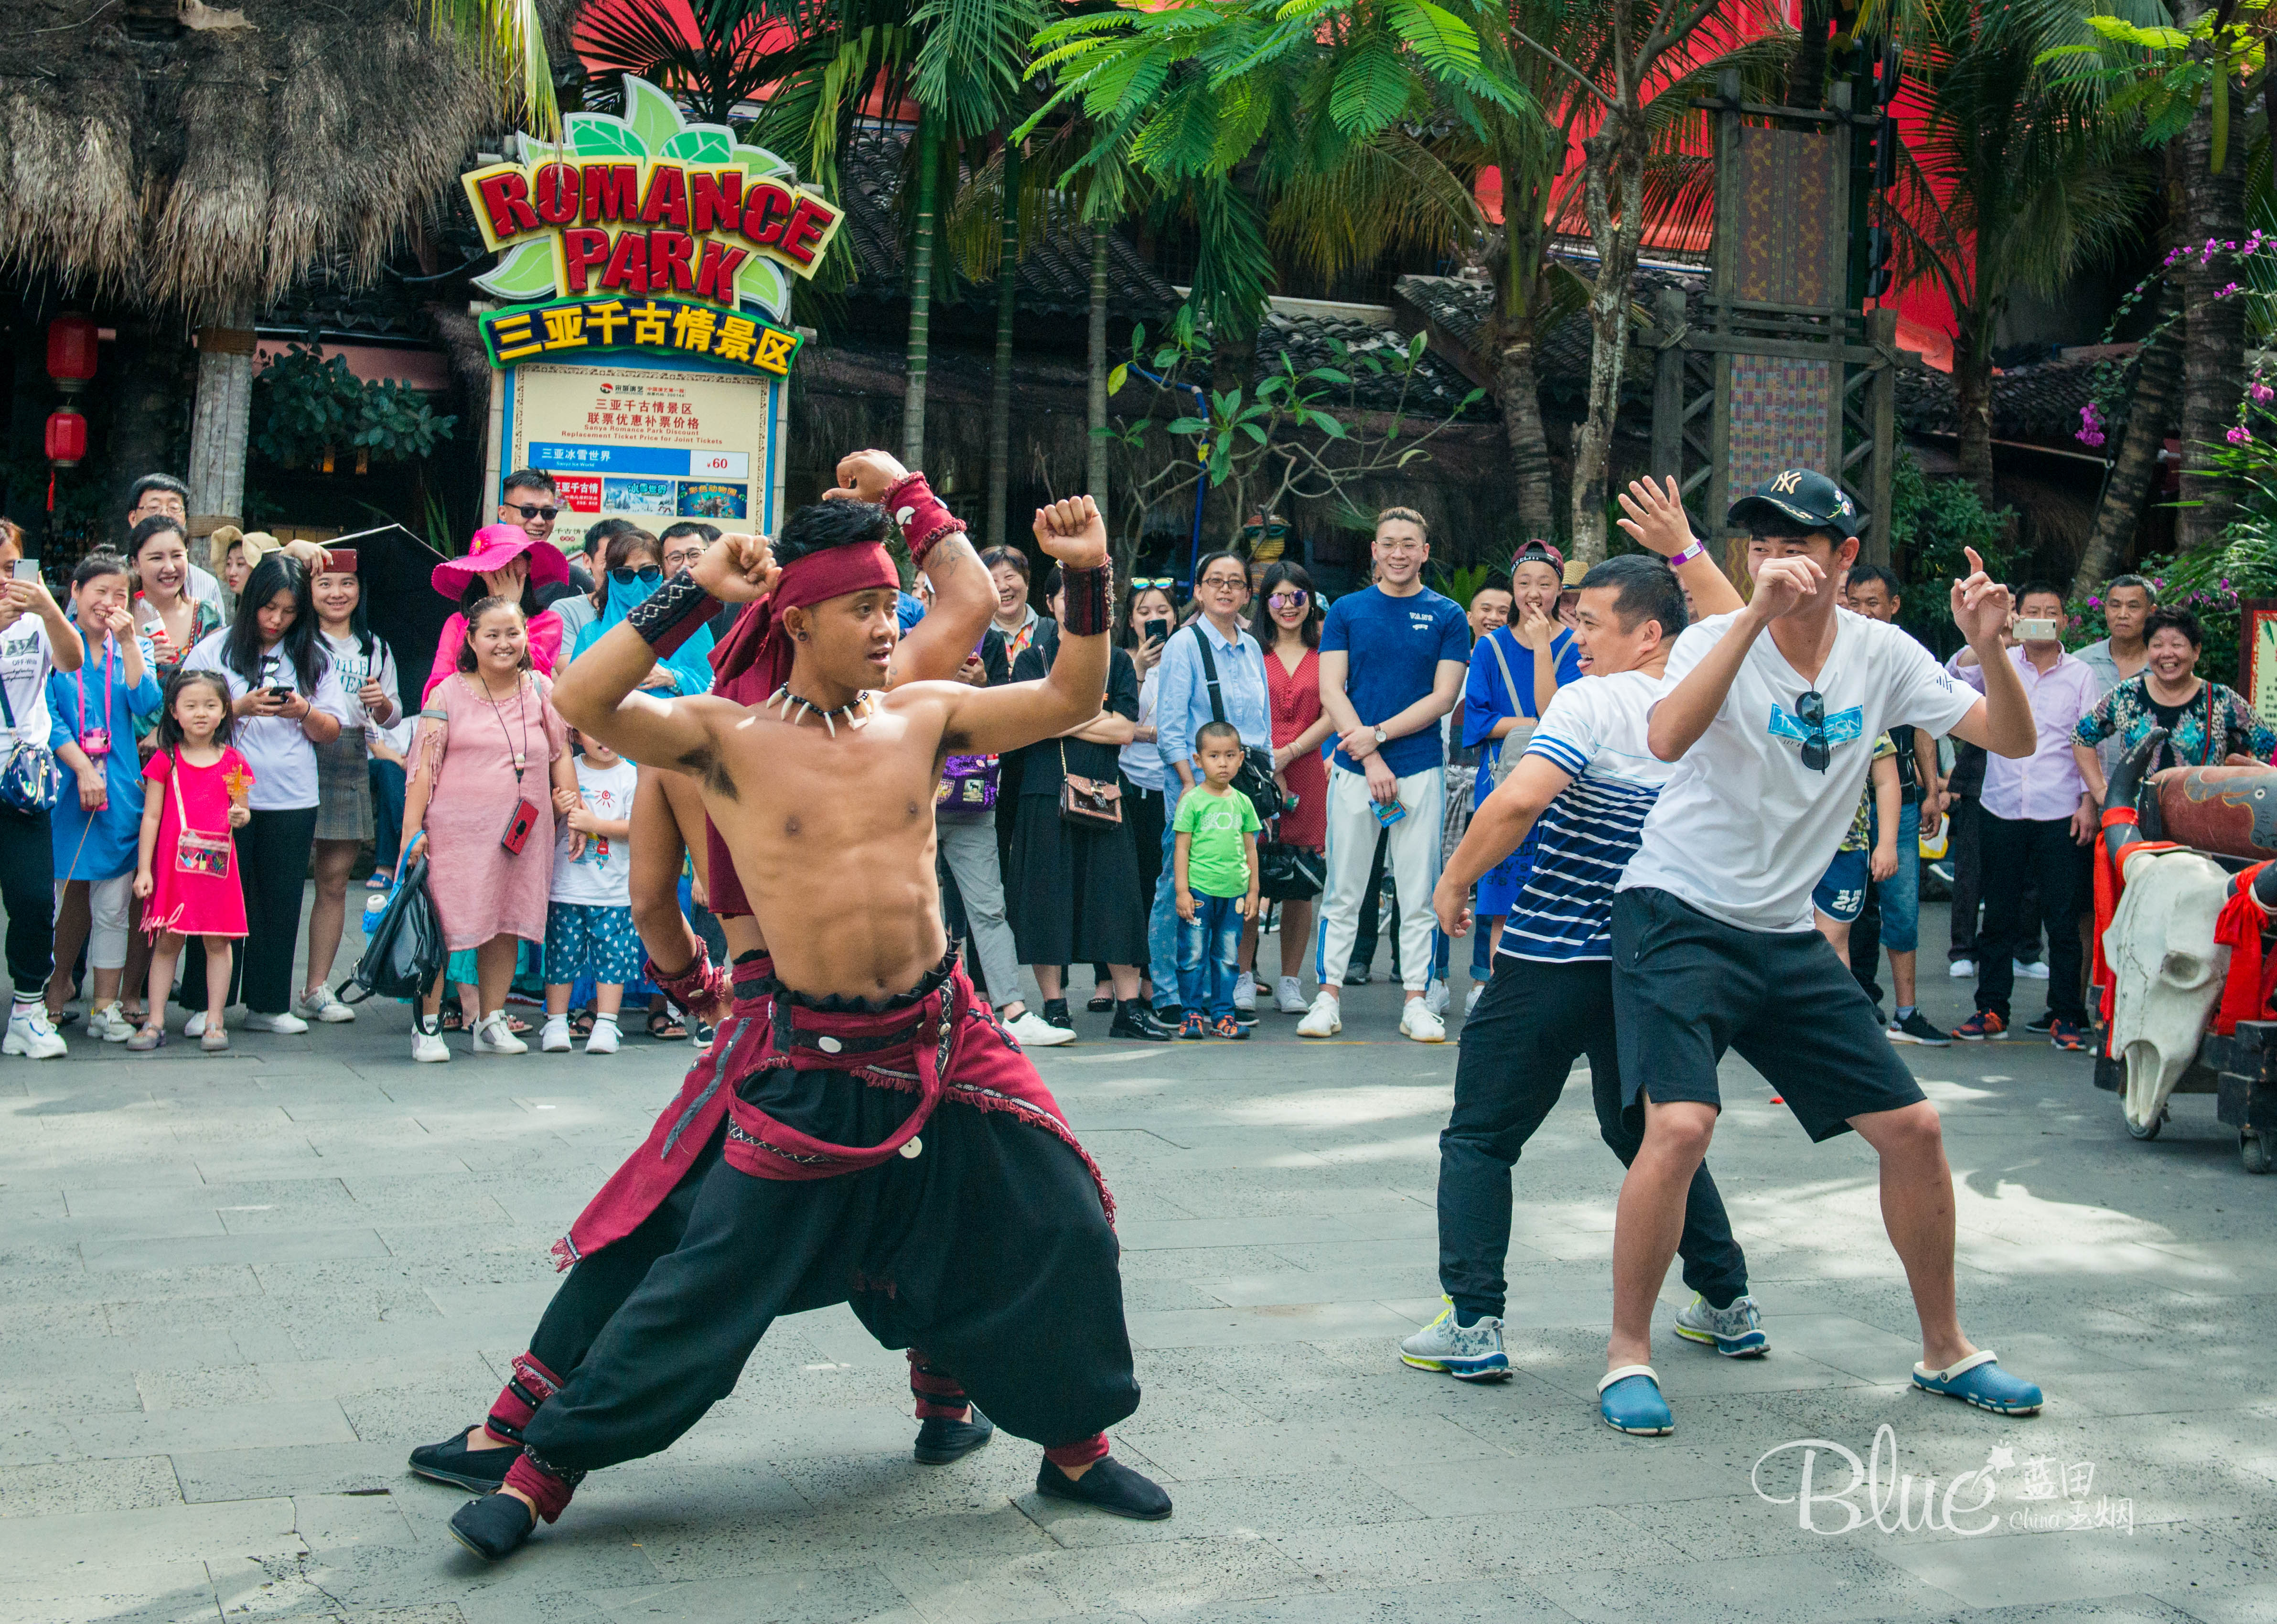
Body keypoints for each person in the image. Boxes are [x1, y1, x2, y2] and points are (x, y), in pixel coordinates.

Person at [433, 492, 1169, 1562]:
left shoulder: (922, 715)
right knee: (703, 1279)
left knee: (1063, 1224)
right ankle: (544, 1470)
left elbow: (1070, 690)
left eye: (892, 604)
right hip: (808, 1058)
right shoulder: (721, 739)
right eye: (866, 608)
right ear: (798, 622)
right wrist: (696, 588)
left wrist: (1089, 571)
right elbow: (588, 700)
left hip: (949, 1034)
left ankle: (1075, 1448)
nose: (888, 626)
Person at [1595, 468, 2045, 1438]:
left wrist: (1986, 649)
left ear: (1845, 558)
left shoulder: (1881, 653)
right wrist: (1750, 619)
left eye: (1796, 541)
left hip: (1785, 933)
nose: (1773, 558)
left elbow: (2010, 736)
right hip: (1676, 911)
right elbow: (1666, 738)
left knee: (1915, 1129)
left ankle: (1946, 1348)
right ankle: (1626, 1353)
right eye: (1758, 541)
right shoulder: (1716, 636)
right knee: (1678, 1127)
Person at [1410, 497, 1760, 1382]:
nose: (1577, 636)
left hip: (1549, 956)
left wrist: (1453, 879)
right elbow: (1730, 620)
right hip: (1651, 965)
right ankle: (1728, 1299)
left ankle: (1474, 1321)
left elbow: (1521, 798)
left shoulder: (1593, 700)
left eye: (1591, 620)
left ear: (1648, 634)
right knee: (1654, 1134)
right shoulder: (1713, 699)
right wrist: (1684, 550)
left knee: (1481, 1135)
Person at [1304, 507, 1470, 1043]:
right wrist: (1369, 754)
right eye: (1388, 544)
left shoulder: (1447, 615)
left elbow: (1443, 697)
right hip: (1355, 771)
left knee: (1418, 891)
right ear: (1373, 552)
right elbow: (1332, 690)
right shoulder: (1348, 611)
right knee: (1344, 890)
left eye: (1409, 544)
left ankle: (1417, 1000)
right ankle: (1326, 998)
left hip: (1420, 767)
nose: (1398, 553)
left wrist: (1378, 738)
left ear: (1425, 552)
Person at [399, 598, 579, 1063]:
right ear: (472, 641)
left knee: (505, 922)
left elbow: (560, 754)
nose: (503, 644)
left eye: (512, 634)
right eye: (492, 635)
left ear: (526, 639)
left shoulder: (542, 689)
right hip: (455, 837)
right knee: (442, 929)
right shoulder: (447, 693)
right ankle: (429, 1025)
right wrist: (410, 833)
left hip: (523, 836)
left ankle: (490, 1021)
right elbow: (422, 769)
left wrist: (573, 809)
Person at [183, 553, 348, 1034]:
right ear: (250, 600)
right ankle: (203, 1004)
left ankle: (269, 1004)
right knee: (215, 896)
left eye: (289, 611)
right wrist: (238, 707)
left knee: (279, 901)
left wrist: (301, 712)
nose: (276, 620)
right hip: (221, 794)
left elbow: (331, 729)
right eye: (268, 607)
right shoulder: (214, 650)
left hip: (291, 795)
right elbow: (186, 717)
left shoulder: (315, 657)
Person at [1942, 584, 2103, 1048]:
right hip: (2001, 806)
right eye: (2030, 611)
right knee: (1997, 916)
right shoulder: (2000, 662)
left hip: (2060, 811)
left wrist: (2088, 803)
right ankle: (1990, 1009)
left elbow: (2086, 740)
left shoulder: (2079, 675)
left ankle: (2065, 1014)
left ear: (2064, 621)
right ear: (2016, 617)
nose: (2040, 619)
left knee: (2062, 918)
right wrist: (1991, 637)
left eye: (2049, 612)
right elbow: (1954, 677)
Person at [1007, 571, 1159, 1041]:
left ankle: (1129, 1010)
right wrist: (1093, 716)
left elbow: (1123, 731)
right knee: (1044, 901)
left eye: (1086, 599)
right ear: (1050, 604)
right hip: (1042, 794)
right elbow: (1031, 724)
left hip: (1104, 794)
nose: (1075, 607)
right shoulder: (1031, 661)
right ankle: (1054, 1008)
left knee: (1118, 901)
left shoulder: (1116, 661)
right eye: (1065, 598)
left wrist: (1066, 716)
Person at [1458, 541, 1582, 1019]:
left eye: (1545, 585)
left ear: (1558, 590)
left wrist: (1541, 652)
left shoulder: (1574, 644)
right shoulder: (1488, 647)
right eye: (1524, 583)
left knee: (1556, 892)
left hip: (1557, 788)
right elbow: (1477, 723)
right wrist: (1532, 725)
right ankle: (1504, 1000)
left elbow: (1560, 713)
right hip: (1502, 782)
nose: (1533, 593)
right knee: (1502, 900)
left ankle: (1554, 1002)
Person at [45, 552, 162, 1042]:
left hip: (118, 789)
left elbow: (149, 705)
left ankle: (104, 1007)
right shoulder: (51, 643)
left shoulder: (130, 646)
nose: (109, 603)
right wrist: (79, 766)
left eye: (121, 595)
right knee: (60, 899)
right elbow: (47, 716)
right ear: (75, 592)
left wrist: (131, 642)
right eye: (100, 591)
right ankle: (50, 996)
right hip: (65, 787)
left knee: (114, 905)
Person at [1149, 551, 1270, 1026]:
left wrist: (1266, 786)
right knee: (1178, 891)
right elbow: (1171, 725)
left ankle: (1218, 1000)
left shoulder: (1252, 647)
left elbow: (1261, 727)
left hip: (1243, 793)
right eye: (1214, 581)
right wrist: (1187, 783)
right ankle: (1171, 997)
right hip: (1195, 790)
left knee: (1230, 892)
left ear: (1245, 594)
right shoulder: (1185, 645)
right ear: (1197, 591)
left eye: (1235, 583)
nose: (1225, 589)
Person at [1838, 566, 1947, 1046]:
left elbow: (1921, 725)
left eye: (1873, 603)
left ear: (1893, 605)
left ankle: (1907, 1010)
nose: (1863, 612)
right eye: (1854, 602)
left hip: (1898, 799)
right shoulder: (1830, 650)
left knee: (1901, 909)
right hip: (1837, 802)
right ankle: (1851, 1010)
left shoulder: (1905, 657)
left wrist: (1931, 790)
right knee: (1843, 910)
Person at [297, 559, 401, 1022]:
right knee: (276, 877)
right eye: (325, 584)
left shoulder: (375, 647)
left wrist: (383, 705)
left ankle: (316, 988)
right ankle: (259, 983)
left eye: (347, 583)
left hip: (349, 752)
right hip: (296, 749)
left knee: (335, 879)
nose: (337, 593)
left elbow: (393, 715)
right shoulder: (296, 639)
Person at [128, 671, 251, 1052]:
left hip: (216, 871)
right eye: (191, 706)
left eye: (211, 706)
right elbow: (151, 816)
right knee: (167, 942)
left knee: (218, 942)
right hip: (172, 870)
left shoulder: (235, 762)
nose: (201, 714)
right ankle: (156, 1020)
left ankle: (216, 1020)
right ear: (174, 712)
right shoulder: (165, 760)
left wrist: (240, 816)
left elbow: (243, 809)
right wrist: (145, 869)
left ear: (224, 712)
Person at [0, 520, 85, 1058]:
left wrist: (48, 608)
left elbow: (72, 660)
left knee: (34, 899)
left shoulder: (37, 620)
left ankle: (28, 1010)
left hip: (21, 781)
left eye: (11, 567)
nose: (5, 580)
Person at [1246, 561, 1332, 1015]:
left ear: (1310, 601)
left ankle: (1290, 981)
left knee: (1301, 880)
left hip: (1307, 771)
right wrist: (1268, 760)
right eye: (1278, 597)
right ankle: (1243, 975)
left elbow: (1335, 712)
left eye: (1298, 596)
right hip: (1254, 771)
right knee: (1248, 873)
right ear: (1265, 604)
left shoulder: (1328, 655)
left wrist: (1292, 752)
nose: (1288, 605)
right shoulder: (1249, 652)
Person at [2073, 602, 2275, 782]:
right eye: (2157, 645)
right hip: (2135, 819)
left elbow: (2270, 747)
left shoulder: (2220, 699)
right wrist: (2101, 792)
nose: (2167, 653)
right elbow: (2081, 737)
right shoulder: (2127, 695)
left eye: (2177, 645)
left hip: (2202, 817)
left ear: (2196, 651)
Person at [541, 730, 638, 1056]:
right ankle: (556, 1021)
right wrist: (556, 808)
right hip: (567, 887)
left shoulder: (629, 775)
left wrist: (592, 822)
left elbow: (636, 827)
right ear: (575, 733)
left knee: (612, 956)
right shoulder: (569, 770)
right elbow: (547, 820)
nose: (604, 737)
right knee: (561, 955)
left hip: (612, 892)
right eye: (592, 728)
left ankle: (607, 1023)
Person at [1173, 721, 1263, 1038]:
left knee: (1228, 958)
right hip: (1199, 892)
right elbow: (1181, 848)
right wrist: (1182, 891)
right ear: (1198, 760)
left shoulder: (1242, 802)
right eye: (1213, 756)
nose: (1222, 763)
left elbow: (1251, 848)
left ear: (1240, 758)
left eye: (1229, 755)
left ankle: (1223, 1015)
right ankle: (1191, 1014)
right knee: (1192, 955)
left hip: (1234, 894)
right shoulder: (1193, 802)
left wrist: (1254, 890)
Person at [423, 525, 569, 700]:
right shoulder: (457, 623)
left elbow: (531, 674)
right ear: (478, 570)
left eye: (515, 558)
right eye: (496, 561)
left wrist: (509, 609)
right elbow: (437, 691)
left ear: (529, 565)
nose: (505, 566)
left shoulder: (549, 622)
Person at [1117, 583, 1178, 1009]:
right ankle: (1122, 978)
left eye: (1162, 610)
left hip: (1173, 786)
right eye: (1144, 611)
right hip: (1126, 783)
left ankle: (1159, 976)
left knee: (1167, 887)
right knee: (1129, 885)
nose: (1153, 618)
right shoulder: (1120, 660)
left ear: (1176, 617)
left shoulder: (1186, 657)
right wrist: (1138, 668)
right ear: (1132, 619)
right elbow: (1116, 720)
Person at [1811, 732, 1899, 960]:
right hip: (1784, 844)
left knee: (1831, 944)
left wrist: (1888, 844)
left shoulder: (1865, 701)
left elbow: (1886, 780)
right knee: (1778, 940)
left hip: (1845, 848)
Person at [2072, 574, 2157, 780]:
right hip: (2090, 791)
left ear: (2152, 612)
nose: (2123, 614)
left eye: (2133, 607)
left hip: (2148, 791)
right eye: (2115, 605)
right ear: (2105, 609)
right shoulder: (2080, 664)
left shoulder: (2163, 668)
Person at [127, 515, 222, 680]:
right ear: (135, 564)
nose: (170, 568)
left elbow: (219, 685)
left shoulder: (206, 615)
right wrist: (140, 662)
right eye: (157, 558)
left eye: (177, 556)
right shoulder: (120, 617)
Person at [122, 475, 225, 611]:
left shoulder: (206, 584)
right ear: (133, 518)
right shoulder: (110, 575)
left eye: (174, 508)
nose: (165, 514)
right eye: (154, 507)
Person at [551, 517, 638, 644]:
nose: (618, 569)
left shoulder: (653, 609)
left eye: (626, 559)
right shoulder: (567, 611)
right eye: (610, 559)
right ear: (587, 561)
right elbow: (571, 663)